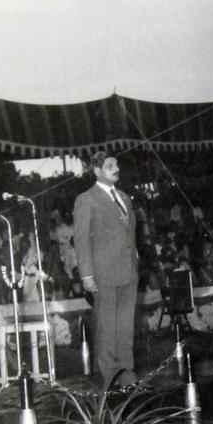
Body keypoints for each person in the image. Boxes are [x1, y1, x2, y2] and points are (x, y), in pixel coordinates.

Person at [74, 151, 140, 388]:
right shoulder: (86, 199)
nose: (116, 169)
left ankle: (127, 374)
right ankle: (109, 376)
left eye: (117, 164)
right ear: (97, 171)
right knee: (107, 326)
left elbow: (130, 233)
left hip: (129, 271)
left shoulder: (124, 197)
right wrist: (86, 275)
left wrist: (135, 258)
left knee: (125, 325)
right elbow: (81, 239)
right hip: (103, 273)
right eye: (110, 166)